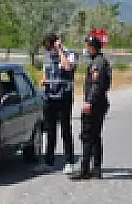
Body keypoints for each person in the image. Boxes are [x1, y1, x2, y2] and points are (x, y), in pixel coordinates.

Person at [70, 34, 112, 180]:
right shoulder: (100, 61)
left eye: (87, 46)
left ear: (92, 47)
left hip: (95, 105)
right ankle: (96, 169)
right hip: (100, 103)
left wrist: (89, 102)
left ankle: (85, 170)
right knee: (95, 136)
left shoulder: (97, 64)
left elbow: (96, 85)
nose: (85, 49)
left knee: (88, 136)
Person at [39, 31, 78, 174]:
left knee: (65, 130)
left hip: (64, 96)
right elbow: (46, 72)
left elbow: (67, 67)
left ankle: (69, 162)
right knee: (50, 130)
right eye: (47, 47)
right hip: (50, 96)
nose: (48, 50)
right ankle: (49, 162)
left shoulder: (69, 53)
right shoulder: (47, 55)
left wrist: (60, 50)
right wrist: (43, 80)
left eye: (50, 46)